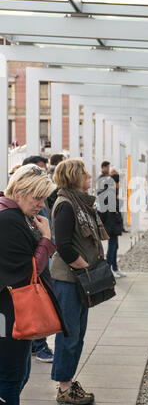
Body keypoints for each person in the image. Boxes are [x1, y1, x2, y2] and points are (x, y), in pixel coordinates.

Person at [0, 164, 66, 405]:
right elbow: (28, 271)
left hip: (13, 310)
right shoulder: (9, 220)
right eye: (36, 197)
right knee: (11, 379)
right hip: (11, 311)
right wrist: (47, 240)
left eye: (43, 197)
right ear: (18, 191)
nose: (41, 203)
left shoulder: (14, 216)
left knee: (17, 375)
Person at [50, 158, 108, 405]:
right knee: (70, 333)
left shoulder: (80, 203)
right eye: (84, 172)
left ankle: (68, 382)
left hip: (76, 279)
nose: (88, 176)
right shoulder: (66, 205)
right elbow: (62, 244)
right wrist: (85, 266)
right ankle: (64, 387)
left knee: (78, 332)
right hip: (69, 279)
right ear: (74, 176)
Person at [22, 155, 54, 362]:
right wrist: (46, 239)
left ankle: (37, 344)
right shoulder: (13, 216)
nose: (40, 203)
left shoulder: (36, 204)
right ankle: (39, 345)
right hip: (32, 266)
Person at [99, 171, 126, 279]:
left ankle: (114, 267)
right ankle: (109, 268)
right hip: (111, 224)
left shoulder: (110, 192)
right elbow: (112, 207)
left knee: (115, 246)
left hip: (113, 223)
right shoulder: (109, 193)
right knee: (112, 247)